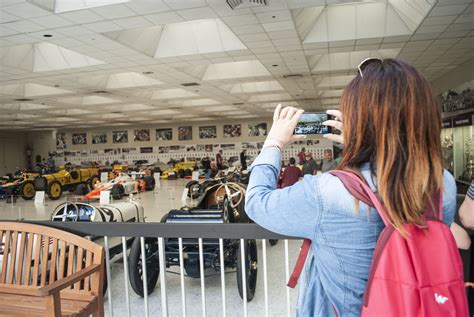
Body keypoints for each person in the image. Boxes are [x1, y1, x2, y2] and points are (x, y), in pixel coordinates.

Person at [245, 59, 457, 316]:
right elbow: (390, 177)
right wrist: (366, 144)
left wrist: (274, 142)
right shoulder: (442, 183)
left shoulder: (327, 193)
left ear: (360, 120)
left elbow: (257, 202)